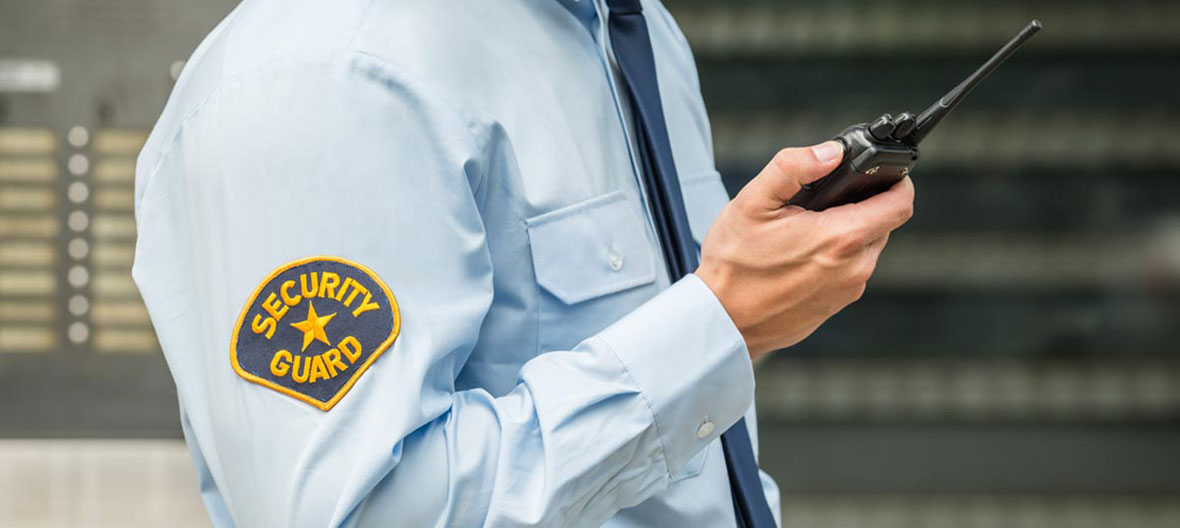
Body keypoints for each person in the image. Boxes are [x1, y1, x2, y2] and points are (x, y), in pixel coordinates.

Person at [132, 0, 914, 526]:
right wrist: (720, 324)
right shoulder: (326, 74)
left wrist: (747, 307)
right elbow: (364, 511)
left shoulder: (629, 28)